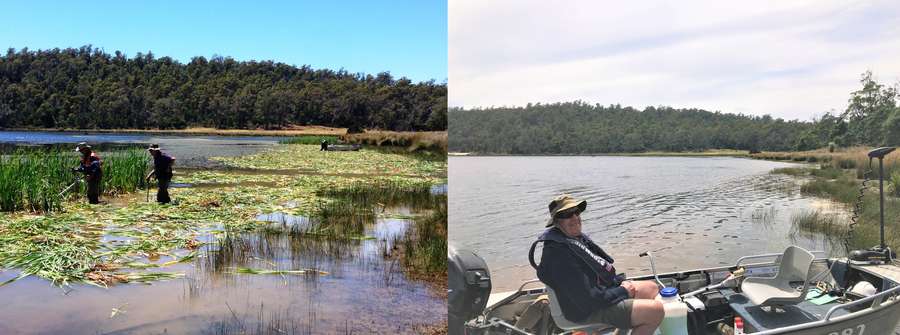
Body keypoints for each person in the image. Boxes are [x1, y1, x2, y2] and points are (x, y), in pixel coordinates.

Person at [530, 195, 664, 335]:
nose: (575, 217)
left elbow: (598, 272)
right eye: (567, 214)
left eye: (577, 211)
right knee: (655, 312)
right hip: (584, 311)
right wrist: (623, 291)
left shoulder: (574, 240)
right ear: (556, 221)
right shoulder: (559, 255)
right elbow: (589, 300)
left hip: (597, 296)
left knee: (651, 287)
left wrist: (620, 282)